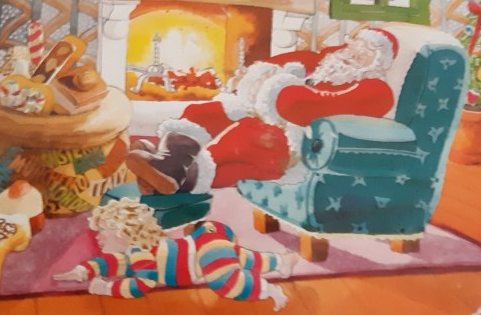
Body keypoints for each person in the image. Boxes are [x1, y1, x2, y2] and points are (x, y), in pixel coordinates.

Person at [125, 26, 400, 195]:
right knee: (205, 113)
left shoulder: (375, 90)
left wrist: (273, 85)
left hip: (298, 145)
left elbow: (301, 107)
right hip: (270, 119)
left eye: (369, 50)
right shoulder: (325, 63)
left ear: (379, 61)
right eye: (357, 44)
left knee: (247, 135)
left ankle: (169, 176)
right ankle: (168, 167)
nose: (357, 52)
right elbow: (279, 64)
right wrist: (261, 75)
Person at [53, 197, 296, 310]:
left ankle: (269, 290)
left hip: (205, 249)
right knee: (240, 258)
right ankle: (281, 262)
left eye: (104, 232)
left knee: (224, 280)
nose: (98, 237)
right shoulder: (134, 253)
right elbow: (113, 263)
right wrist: (82, 271)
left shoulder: (140, 253)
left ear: (123, 232)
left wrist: (107, 289)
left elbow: (140, 285)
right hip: (206, 243)